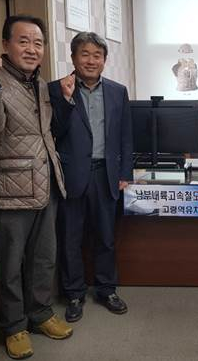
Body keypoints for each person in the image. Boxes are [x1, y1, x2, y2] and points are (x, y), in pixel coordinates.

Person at [0, 15, 73, 359]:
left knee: (43, 258)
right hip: (10, 189)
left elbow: (49, 132)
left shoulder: (41, 84)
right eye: (23, 41)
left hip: (46, 184)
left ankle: (40, 314)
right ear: (6, 45)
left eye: (38, 43)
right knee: (10, 264)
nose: (32, 49)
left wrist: (64, 99)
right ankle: (14, 326)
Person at [49, 32, 133, 323]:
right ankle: (74, 294)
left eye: (97, 55)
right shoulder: (58, 89)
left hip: (105, 175)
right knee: (70, 239)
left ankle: (106, 289)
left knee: (105, 237)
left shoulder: (117, 91)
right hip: (71, 175)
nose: (91, 60)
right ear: (73, 58)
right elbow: (54, 131)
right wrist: (66, 100)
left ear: (104, 60)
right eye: (84, 54)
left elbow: (125, 135)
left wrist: (125, 172)